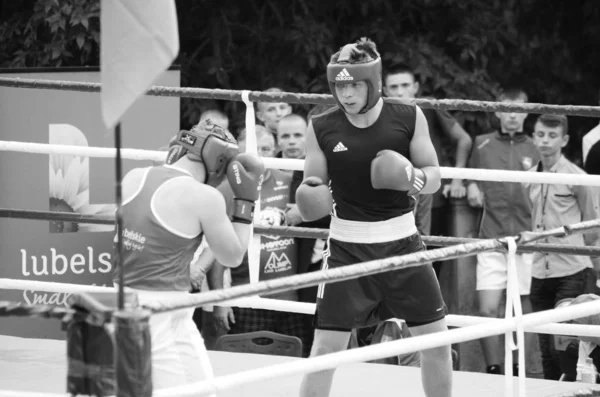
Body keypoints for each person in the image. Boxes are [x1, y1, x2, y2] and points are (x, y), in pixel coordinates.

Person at [296, 38, 451, 397]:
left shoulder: (409, 117)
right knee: (324, 351)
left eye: (354, 84)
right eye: (339, 85)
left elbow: (434, 176)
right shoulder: (321, 126)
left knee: (437, 345)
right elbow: (311, 184)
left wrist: (411, 177)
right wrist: (309, 196)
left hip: (403, 244)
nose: (346, 94)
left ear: (374, 81)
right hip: (347, 248)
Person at [111, 119, 265, 389]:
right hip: (162, 311)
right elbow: (233, 257)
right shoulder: (203, 197)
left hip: (120, 302)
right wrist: (245, 203)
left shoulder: (134, 177)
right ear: (220, 163)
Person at [210, 125, 314, 357]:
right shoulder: (226, 189)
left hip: (291, 297)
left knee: (295, 368)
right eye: (252, 151)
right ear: (239, 154)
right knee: (244, 369)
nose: (259, 157)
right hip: (245, 297)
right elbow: (218, 248)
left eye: (265, 148)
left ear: (276, 149)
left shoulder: (289, 180)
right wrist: (220, 301)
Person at [466, 88, 539, 375]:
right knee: (487, 308)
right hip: (491, 236)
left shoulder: (536, 146)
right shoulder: (481, 143)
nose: (512, 115)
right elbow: (471, 178)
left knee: (522, 307)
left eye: (517, 109)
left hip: (528, 238)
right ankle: (494, 369)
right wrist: (471, 184)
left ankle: (519, 368)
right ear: (496, 111)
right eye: (506, 109)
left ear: (527, 111)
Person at [526, 113, 600, 380]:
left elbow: (592, 227)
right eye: (541, 134)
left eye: (552, 135)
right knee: (545, 346)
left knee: (566, 343)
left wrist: (573, 246)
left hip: (570, 270)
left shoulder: (577, 177)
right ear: (533, 137)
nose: (546, 141)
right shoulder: (527, 176)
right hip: (538, 270)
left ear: (565, 139)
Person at [382, 63, 473, 277]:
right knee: (392, 269)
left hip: (433, 199)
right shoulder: (378, 113)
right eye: (394, 87)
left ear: (415, 87)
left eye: (405, 85)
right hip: (392, 202)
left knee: (428, 269)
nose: (400, 91)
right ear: (384, 91)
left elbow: (464, 139)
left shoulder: (428, 106)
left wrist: (457, 180)